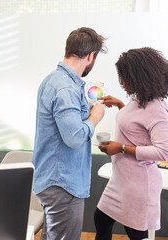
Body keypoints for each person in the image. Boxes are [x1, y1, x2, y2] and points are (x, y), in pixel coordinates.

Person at [32, 27, 107, 240]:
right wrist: (95, 117)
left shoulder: (53, 80)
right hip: (62, 183)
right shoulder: (66, 89)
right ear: (91, 56)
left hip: (52, 180)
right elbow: (74, 137)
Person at [94, 47, 168, 240]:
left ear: (138, 77)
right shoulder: (139, 99)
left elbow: (164, 152)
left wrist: (121, 148)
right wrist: (121, 106)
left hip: (139, 184)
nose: (122, 83)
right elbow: (139, 126)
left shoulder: (157, 109)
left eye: (124, 78)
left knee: (136, 234)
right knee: (101, 219)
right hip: (121, 179)